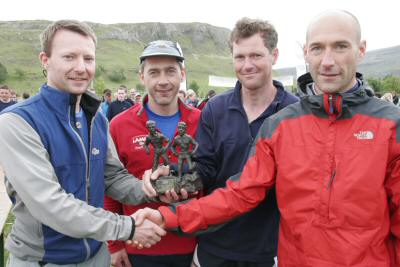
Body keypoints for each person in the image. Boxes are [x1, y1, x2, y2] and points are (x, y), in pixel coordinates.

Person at [138, 10, 400, 266]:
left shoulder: (391, 125)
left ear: (361, 49)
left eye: (340, 46)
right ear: (306, 52)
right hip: (254, 251)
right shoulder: (280, 124)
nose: (328, 60)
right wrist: (171, 210)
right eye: (318, 48)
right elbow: (239, 192)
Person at [0, 20, 167, 267]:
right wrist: (127, 227)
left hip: (95, 256)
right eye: (69, 57)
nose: (81, 68)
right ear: (45, 60)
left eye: (88, 59)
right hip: (44, 260)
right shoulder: (17, 122)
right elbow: (50, 204)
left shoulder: (96, 117)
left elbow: (112, 177)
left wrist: (155, 187)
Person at [145, 17, 298, 267]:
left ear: (275, 55)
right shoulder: (215, 108)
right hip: (215, 242)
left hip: (270, 247)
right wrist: (172, 175)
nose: (247, 65)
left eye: (256, 56)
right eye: (239, 57)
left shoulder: (294, 112)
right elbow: (205, 167)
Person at [104, 40, 200, 267]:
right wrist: (115, 244)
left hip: (191, 246)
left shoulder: (203, 120)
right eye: (154, 72)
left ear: (182, 74)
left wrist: (206, 246)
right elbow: (109, 187)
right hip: (138, 246)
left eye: (170, 71)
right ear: (142, 77)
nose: (163, 81)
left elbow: (214, 185)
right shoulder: (119, 125)